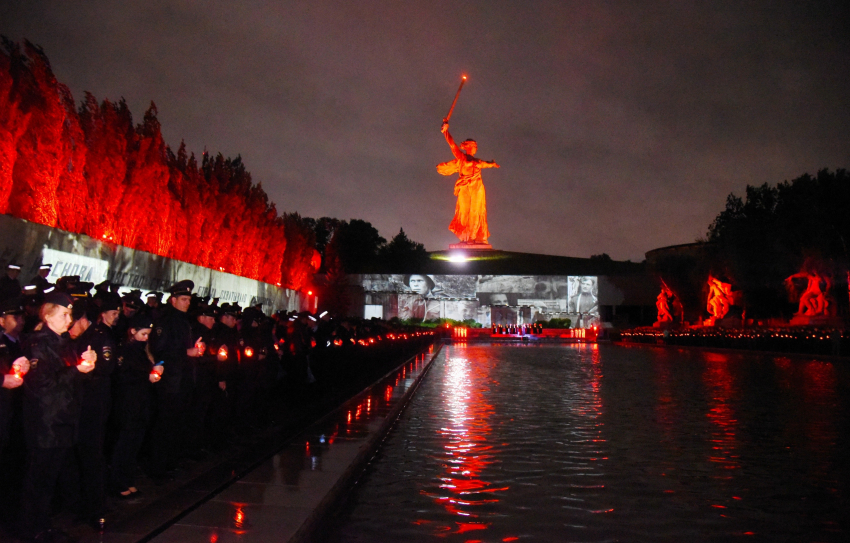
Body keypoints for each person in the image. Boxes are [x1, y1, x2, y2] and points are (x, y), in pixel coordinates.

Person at [19, 292, 96, 541]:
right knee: (39, 479)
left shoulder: (62, 342)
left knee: (49, 478)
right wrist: (77, 371)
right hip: (46, 422)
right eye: (64, 314)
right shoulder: (39, 344)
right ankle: (32, 528)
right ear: (48, 314)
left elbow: (69, 379)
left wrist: (85, 366)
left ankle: (43, 524)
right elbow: (43, 384)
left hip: (61, 420)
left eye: (71, 314)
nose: (69, 319)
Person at [148, 280, 204, 481]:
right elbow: (160, 351)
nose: (187, 303)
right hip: (170, 382)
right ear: (173, 300)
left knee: (177, 424)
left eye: (189, 299)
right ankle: (158, 468)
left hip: (183, 380)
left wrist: (195, 350)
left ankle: (171, 463)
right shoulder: (166, 321)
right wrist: (186, 352)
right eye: (183, 299)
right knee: (165, 425)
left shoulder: (183, 321)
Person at [111, 313, 159, 498]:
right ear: (133, 332)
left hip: (142, 403)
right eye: (144, 334)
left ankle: (128, 480)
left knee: (134, 445)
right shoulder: (126, 350)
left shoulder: (142, 350)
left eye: (148, 334)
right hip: (129, 404)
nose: (146, 338)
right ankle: (118, 482)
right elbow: (123, 376)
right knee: (125, 444)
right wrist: (146, 376)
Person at [437, 121, 499, 245]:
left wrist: (492, 164)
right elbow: (452, 145)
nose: (476, 148)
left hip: (477, 187)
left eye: (476, 146)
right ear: (469, 147)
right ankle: (465, 237)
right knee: (464, 212)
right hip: (464, 187)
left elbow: (486, 164)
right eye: (474, 146)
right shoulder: (462, 158)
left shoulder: (477, 161)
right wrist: (446, 132)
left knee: (476, 211)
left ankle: (474, 237)